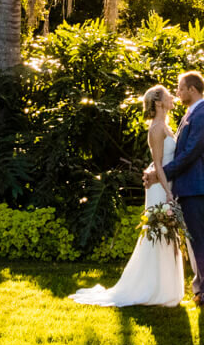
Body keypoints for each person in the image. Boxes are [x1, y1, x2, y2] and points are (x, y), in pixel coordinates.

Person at [70, 84, 185, 307]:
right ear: (160, 102)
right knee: (158, 233)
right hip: (160, 187)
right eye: (169, 95)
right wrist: (169, 192)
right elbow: (159, 165)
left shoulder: (166, 126)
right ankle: (153, 289)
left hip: (165, 184)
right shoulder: (156, 129)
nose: (173, 97)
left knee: (166, 233)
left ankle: (166, 288)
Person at [150, 71, 204, 306]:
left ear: (192, 90)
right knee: (193, 241)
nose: (177, 93)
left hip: (196, 186)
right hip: (187, 186)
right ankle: (200, 290)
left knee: (199, 239)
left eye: (180, 88)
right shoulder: (191, 114)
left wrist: (162, 175)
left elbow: (190, 154)